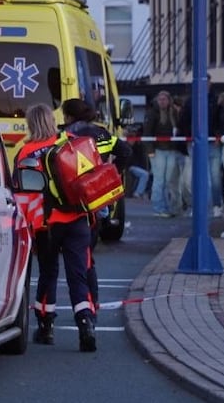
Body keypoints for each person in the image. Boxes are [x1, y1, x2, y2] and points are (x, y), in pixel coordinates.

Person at [14, 103, 98, 352]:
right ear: (52, 120)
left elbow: (23, 194)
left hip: (47, 225)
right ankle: (86, 324)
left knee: (48, 274)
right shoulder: (70, 141)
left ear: (30, 124)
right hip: (78, 220)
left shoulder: (26, 152)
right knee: (78, 275)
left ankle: (45, 327)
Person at [60, 98, 130, 314]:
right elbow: (126, 151)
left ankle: (79, 308)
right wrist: (110, 174)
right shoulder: (102, 133)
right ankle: (93, 304)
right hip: (97, 200)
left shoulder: (64, 136)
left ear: (69, 116)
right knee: (88, 256)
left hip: (72, 201)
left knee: (70, 260)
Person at [177, 79, 224, 218]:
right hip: (196, 142)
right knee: (195, 178)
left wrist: (218, 135)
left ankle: (216, 205)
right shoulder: (191, 101)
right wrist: (187, 137)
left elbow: (221, 119)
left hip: (211, 142)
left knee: (214, 177)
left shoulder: (215, 101)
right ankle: (198, 206)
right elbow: (183, 121)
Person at [143, 90, 183, 217]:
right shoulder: (152, 113)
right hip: (158, 150)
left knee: (168, 180)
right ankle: (159, 207)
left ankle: (165, 207)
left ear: (168, 100)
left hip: (171, 149)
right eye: (160, 99)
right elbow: (147, 133)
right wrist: (150, 151)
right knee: (159, 180)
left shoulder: (174, 113)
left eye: (164, 99)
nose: (162, 102)